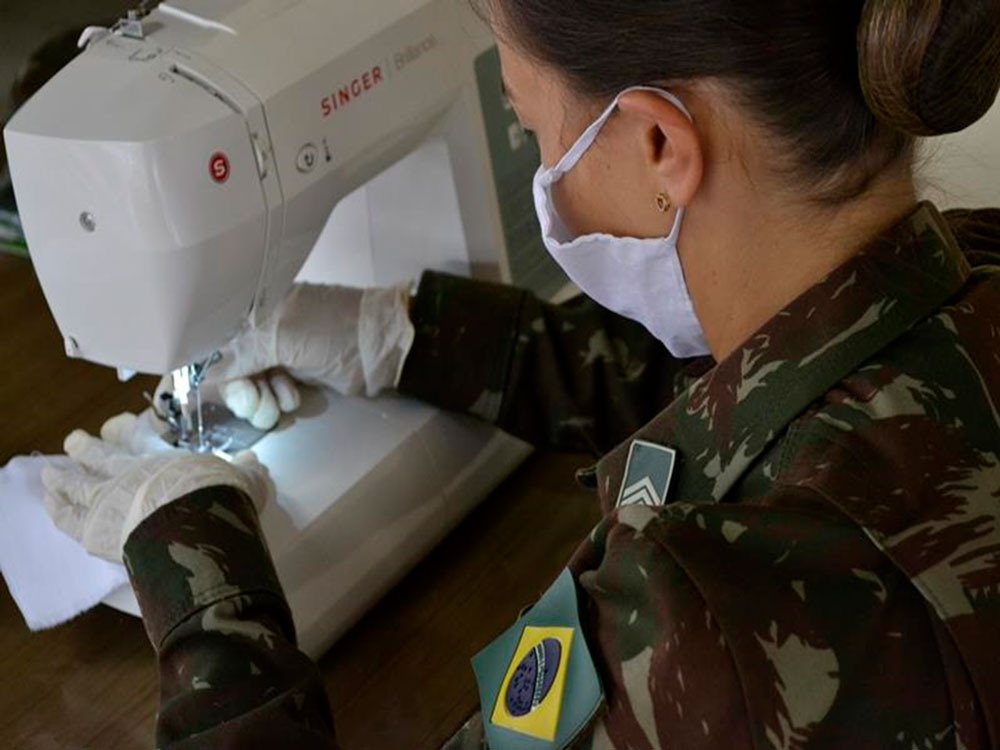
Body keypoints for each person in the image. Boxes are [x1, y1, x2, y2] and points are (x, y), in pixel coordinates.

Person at [39, 0, 1000, 747]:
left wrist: (204, 584)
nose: (540, 162)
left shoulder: (712, 633)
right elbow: (748, 412)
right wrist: (403, 333)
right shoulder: (969, 285)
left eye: (532, 125)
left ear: (658, 145)